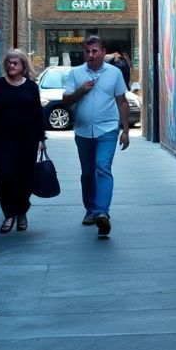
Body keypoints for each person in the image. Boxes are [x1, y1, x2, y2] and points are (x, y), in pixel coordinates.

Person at [60, 36, 129, 238]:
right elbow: (65, 101)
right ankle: (90, 209)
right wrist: (81, 90)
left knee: (102, 168)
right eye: (88, 51)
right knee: (87, 172)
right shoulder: (76, 73)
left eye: (95, 51)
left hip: (107, 130)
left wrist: (125, 131)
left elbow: (122, 101)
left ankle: (102, 213)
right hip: (82, 131)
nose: (91, 55)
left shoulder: (114, 73)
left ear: (103, 51)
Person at [0, 49, 48, 233]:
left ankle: (22, 211)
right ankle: (9, 214)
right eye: (9, 62)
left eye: (15, 63)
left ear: (23, 65)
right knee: (4, 176)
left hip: (27, 140)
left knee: (25, 177)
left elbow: (37, 115)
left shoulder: (31, 87)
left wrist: (41, 138)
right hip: (3, 139)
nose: (11, 66)